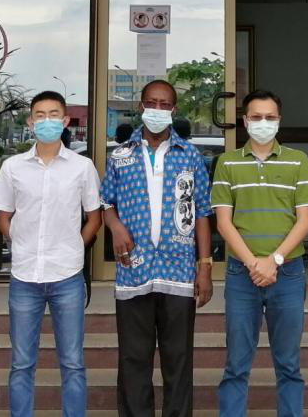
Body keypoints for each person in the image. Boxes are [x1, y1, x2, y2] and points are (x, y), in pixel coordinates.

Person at [101, 79, 213, 417]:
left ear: (173, 110)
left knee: (178, 360)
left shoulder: (190, 155)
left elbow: (203, 212)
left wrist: (204, 266)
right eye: (152, 103)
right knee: (133, 359)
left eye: (165, 104)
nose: (157, 109)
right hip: (133, 269)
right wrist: (115, 226)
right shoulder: (121, 155)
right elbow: (106, 201)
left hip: (178, 271)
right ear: (141, 106)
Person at [0, 90, 102, 417]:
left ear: (65, 121)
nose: (47, 121)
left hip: (67, 276)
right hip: (24, 277)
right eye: (40, 115)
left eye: (54, 115)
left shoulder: (82, 167)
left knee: (73, 362)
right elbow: (3, 216)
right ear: (30, 122)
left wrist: (76, 247)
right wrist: (18, 242)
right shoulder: (13, 167)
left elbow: (94, 217)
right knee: (21, 363)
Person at [213, 90, 308, 417]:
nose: (263, 123)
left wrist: (273, 261)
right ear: (245, 121)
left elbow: (305, 220)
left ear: (279, 120)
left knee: (289, 365)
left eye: (270, 117)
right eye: (256, 117)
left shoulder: (298, 160)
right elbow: (223, 222)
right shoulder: (227, 162)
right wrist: (253, 263)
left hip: (287, 273)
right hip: (241, 274)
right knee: (236, 364)